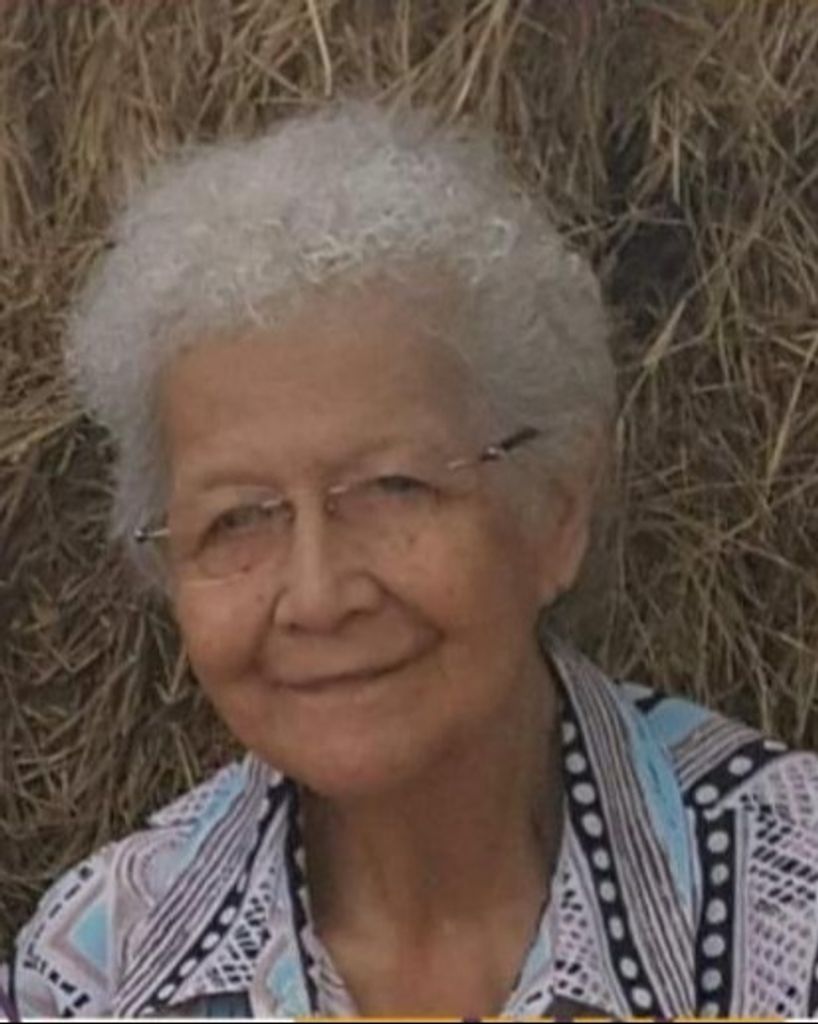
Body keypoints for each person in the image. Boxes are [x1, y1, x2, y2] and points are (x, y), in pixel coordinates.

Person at [3, 101, 818, 1021]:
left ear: (555, 510)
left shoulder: (792, 902)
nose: (318, 596)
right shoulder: (99, 972)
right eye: (236, 521)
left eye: (395, 488)